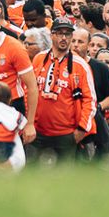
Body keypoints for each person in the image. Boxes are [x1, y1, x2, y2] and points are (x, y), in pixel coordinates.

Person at [26, 17, 95, 162]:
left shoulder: (80, 65)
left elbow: (90, 100)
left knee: (64, 180)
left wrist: (82, 129)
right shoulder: (39, 58)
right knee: (31, 177)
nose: (64, 38)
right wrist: (29, 122)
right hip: (37, 132)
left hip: (66, 135)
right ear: (52, 35)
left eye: (68, 34)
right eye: (59, 33)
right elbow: (29, 90)